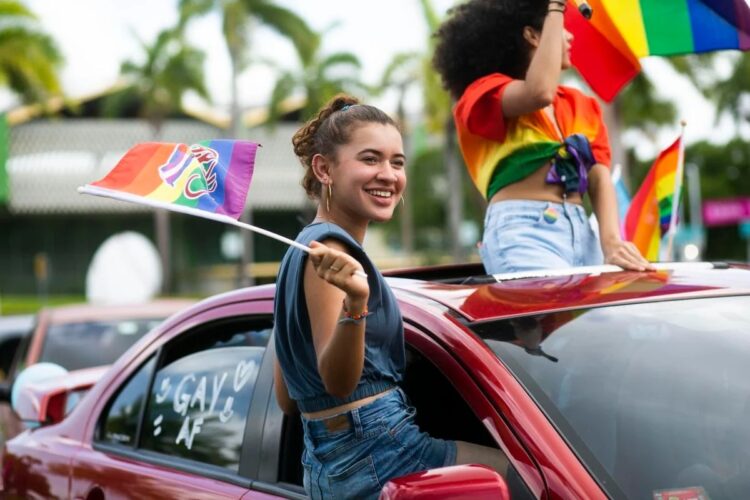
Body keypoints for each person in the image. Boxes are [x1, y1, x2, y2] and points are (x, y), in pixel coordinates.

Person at [273, 94, 508, 499]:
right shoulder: (333, 252)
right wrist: (356, 303)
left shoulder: (301, 250)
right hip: (381, 450)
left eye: (397, 162)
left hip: (326, 464)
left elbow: (289, 398)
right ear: (323, 168)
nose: (388, 174)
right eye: (370, 159)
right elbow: (339, 383)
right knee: (535, 475)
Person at [432, 0, 654, 274]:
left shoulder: (582, 104)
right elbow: (540, 92)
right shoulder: (481, 94)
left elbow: (599, 176)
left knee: (593, 318)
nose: (570, 35)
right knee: (548, 317)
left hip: (582, 234)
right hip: (523, 231)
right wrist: (555, 6)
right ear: (532, 35)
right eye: (562, 26)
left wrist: (611, 243)